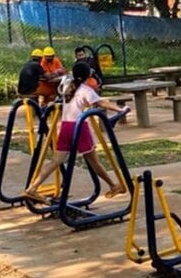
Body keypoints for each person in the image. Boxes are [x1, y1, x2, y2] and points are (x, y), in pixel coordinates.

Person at [23, 61, 124, 201]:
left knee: (56, 161)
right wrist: (120, 109)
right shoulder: (86, 90)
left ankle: (32, 188)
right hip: (79, 126)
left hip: (65, 126)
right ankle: (113, 185)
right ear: (88, 75)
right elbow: (101, 103)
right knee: (94, 161)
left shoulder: (68, 87)